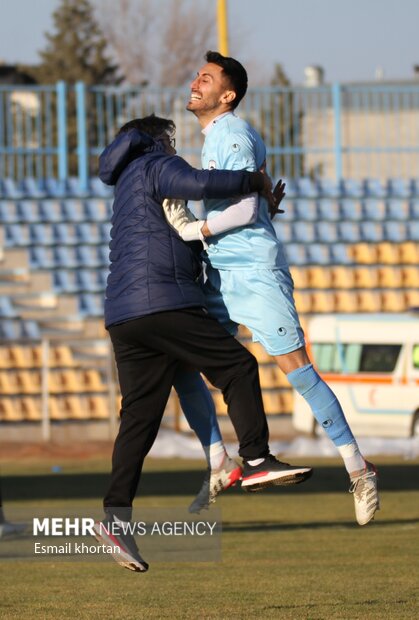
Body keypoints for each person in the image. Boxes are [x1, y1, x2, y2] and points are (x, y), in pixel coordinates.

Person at [163, 51, 380, 527]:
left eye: (206, 79)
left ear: (228, 95)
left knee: (297, 370)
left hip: (254, 272)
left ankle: (360, 471)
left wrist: (192, 230)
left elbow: (241, 212)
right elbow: (247, 203)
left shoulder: (233, 134)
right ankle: (220, 460)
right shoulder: (216, 137)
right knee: (182, 360)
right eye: (196, 77)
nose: (194, 84)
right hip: (222, 270)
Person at [93, 114, 312, 572]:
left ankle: (115, 516)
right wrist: (254, 180)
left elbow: (172, 233)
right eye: (170, 138)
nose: (176, 144)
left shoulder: (127, 181)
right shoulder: (155, 163)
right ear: (156, 139)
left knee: (139, 420)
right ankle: (255, 458)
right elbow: (199, 181)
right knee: (237, 366)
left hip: (124, 313)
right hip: (164, 302)